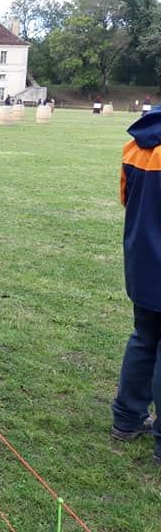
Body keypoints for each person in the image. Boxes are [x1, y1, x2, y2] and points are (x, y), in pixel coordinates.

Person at [111, 107, 161, 459]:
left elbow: (126, 199)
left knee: (144, 339)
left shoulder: (137, 143)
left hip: (143, 261)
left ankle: (127, 419)